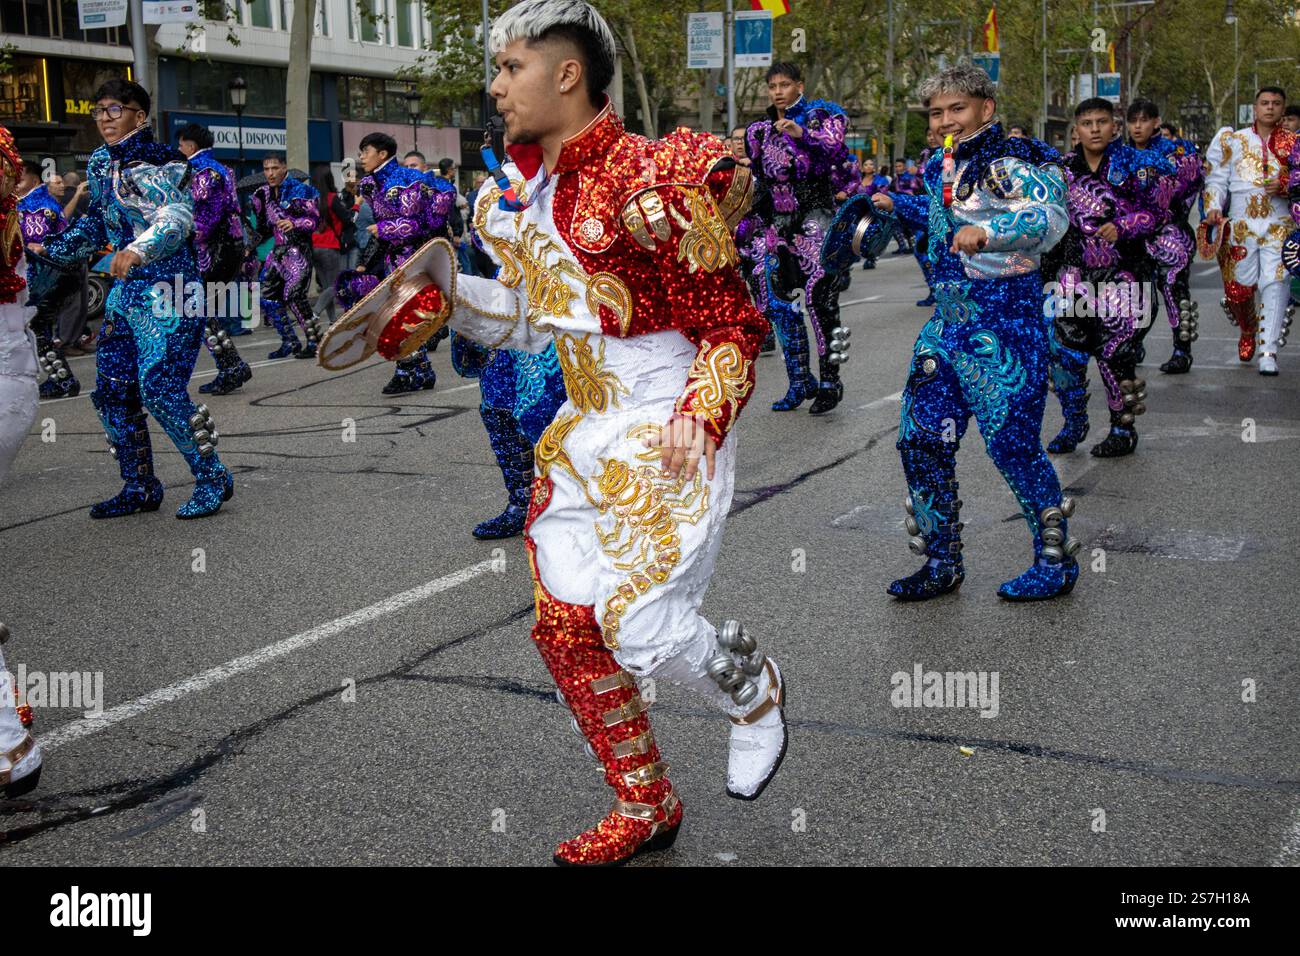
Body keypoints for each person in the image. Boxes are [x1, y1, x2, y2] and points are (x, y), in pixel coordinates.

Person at [392, 0, 788, 865]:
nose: (495, 88)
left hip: (663, 415)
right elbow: (535, 322)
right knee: (566, 626)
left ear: (566, 73)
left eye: (510, 68)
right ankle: (644, 800)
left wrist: (702, 412)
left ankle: (751, 690)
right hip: (583, 425)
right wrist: (447, 305)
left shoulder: (653, 182)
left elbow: (732, 323)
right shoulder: (508, 198)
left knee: (641, 623)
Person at [873, 63, 1078, 601]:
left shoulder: (1012, 161)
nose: (946, 121)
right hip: (946, 326)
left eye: (956, 109)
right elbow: (947, 218)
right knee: (919, 438)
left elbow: (1050, 217)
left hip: (1005, 325)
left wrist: (988, 232)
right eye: (937, 112)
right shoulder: (944, 163)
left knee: (1013, 447)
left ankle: (1054, 562)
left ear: (985, 108)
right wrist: (902, 206)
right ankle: (942, 562)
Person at [37, 78, 233, 519]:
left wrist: (139, 249)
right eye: (99, 110)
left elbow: (176, 216)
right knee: (112, 391)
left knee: (160, 388)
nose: (105, 119)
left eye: (114, 109)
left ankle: (212, 477)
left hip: (171, 289)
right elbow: (99, 225)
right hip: (128, 294)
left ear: (138, 115)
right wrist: (48, 251)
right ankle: (140, 485)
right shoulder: (103, 162)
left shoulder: (159, 161)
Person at [1043, 98, 1172, 459]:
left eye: (1102, 121)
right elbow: (1050, 220)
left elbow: (1159, 213)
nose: (1095, 128)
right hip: (1073, 274)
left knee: (1115, 353)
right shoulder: (1062, 169)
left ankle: (1122, 428)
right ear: (1076, 130)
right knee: (1062, 352)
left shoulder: (1137, 164)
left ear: (1115, 126)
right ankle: (1074, 421)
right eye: (1087, 123)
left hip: (1125, 275)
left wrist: (1125, 226)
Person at [738, 61, 858, 413]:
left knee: (822, 301)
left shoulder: (823, 116)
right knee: (777, 302)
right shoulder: (757, 131)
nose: (778, 91)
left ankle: (831, 380)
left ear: (799, 86)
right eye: (772, 85)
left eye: (785, 84)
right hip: (777, 222)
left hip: (815, 218)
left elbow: (836, 150)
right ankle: (799, 380)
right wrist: (746, 227)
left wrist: (802, 135)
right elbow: (760, 179)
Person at [335, 132, 453, 394]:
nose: (362, 156)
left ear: (383, 154)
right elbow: (380, 230)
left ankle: (408, 371)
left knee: (400, 314)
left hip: (413, 257)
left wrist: (385, 228)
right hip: (392, 258)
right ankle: (421, 370)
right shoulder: (370, 184)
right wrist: (368, 262)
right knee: (397, 313)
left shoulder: (406, 180)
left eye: (366, 151)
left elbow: (416, 225)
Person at [1203, 87, 1298, 375]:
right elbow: (1216, 179)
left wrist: (1286, 186)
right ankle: (1248, 327)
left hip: (1279, 225)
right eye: (1264, 103)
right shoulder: (1232, 140)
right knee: (1237, 290)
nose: (1270, 108)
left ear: (1283, 109)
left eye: (1276, 104)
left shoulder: (1294, 144)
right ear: (1254, 108)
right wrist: (1213, 207)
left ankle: (1268, 351)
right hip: (1241, 225)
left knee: (1275, 282)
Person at [1125, 99, 1203, 374]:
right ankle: (1133, 343)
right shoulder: (1121, 155)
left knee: (1173, 291)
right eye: (1132, 121)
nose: (1137, 126)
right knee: (1135, 294)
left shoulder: (1177, 152)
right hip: (1132, 238)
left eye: (1143, 120)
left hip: (1170, 236)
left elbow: (1189, 186)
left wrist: (1162, 211)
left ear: (1156, 122)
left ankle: (1182, 351)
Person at [176, 122, 254, 396]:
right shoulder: (221, 167)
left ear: (191, 146)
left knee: (196, 309)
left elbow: (207, 216)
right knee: (201, 310)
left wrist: (184, 237)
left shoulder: (203, 170)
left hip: (214, 249)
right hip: (228, 245)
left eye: (181, 144)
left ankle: (231, 366)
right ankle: (231, 365)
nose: (178, 149)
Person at [16, 159, 83, 398]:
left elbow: (34, 245)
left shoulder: (34, 206)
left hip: (44, 277)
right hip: (52, 276)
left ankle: (63, 380)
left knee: (35, 325)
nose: (15, 182)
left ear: (34, 180)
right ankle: (58, 379)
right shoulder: (36, 202)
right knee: (35, 326)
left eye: (19, 177)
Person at [251, 153, 322, 359]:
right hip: (278, 252)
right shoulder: (262, 194)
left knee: (294, 295)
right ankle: (289, 341)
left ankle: (315, 340)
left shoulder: (301, 190)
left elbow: (315, 221)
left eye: (274, 168)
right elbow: (264, 229)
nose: (270, 173)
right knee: (266, 297)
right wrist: (250, 244)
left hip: (299, 250)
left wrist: (295, 223)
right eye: (266, 169)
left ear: (284, 167)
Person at [309, 166, 353, 327]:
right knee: (336, 285)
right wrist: (354, 207)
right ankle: (314, 313)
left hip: (314, 246)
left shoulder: (311, 200)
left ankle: (333, 319)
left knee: (327, 286)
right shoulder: (332, 198)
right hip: (329, 246)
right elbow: (346, 219)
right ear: (330, 180)